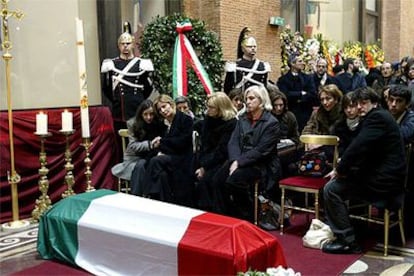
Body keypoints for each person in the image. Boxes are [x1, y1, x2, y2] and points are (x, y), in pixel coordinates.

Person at [322, 87, 406, 254]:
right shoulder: (377, 116)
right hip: (382, 175)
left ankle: (347, 241)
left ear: (374, 103)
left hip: (384, 182)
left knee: (331, 189)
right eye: (358, 103)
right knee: (342, 183)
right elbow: (363, 149)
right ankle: (350, 230)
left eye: (364, 103)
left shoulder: (376, 118)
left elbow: (358, 146)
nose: (359, 107)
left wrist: (339, 169)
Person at [215, 85, 281, 222]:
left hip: (260, 164)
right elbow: (233, 142)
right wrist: (235, 160)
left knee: (234, 181)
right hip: (239, 160)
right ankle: (226, 217)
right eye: (246, 99)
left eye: (251, 98)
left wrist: (239, 162)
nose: (247, 102)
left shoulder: (271, 123)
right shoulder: (243, 119)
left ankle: (247, 217)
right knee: (217, 180)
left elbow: (261, 151)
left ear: (261, 101)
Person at [142, 94, 194, 206]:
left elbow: (182, 142)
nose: (163, 111)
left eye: (164, 106)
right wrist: (161, 148)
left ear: (171, 104)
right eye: (160, 109)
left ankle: (146, 195)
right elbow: (161, 144)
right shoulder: (163, 124)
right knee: (160, 173)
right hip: (169, 156)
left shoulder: (185, 119)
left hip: (182, 157)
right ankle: (157, 200)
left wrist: (162, 142)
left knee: (155, 161)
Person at [101, 23, 154, 132]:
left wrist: (137, 98)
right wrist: (116, 99)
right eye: (123, 44)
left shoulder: (142, 64)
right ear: (118, 46)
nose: (125, 46)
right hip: (119, 110)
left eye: (128, 43)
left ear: (133, 45)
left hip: (137, 109)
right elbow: (106, 88)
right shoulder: (111, 64)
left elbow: (148, 88)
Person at [111, 99, 166, 195]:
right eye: (145, 114)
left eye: (151, 114)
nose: (149, 117)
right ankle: (137, 196)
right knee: (141, 165)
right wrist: (150, 144)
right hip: (135, 158)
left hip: (153, 156)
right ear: (141, 114)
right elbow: (133, 146)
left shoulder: (159, 123)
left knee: (157, 167)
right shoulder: (133, 124)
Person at [195, 92, 238, 212]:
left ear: (221, 108)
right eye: (208, 106)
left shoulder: (231, 123)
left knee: (209, 180)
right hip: (207, 157)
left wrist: (205, 167)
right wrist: (202, 164)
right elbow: (204, 144)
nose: (208, 110)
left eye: (211, 107)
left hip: (223, 159)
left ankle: (213, 212)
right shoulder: (208, 120)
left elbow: (222, 150)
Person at [277, 54, 317, 132]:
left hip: (305, 113)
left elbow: (312, 94)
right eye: (300, 61)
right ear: (292, 63)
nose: (303, 63)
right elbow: (284, 95)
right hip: (290, 113)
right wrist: (301, 93)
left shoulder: (308, 78)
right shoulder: (283, 79)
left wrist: (295, 96)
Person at [223, 27, 270, 94]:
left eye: (254, 46)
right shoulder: (234, 66)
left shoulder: (263, 66)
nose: (253, 48)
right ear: (242, 48)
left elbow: (264, 86)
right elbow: (228, 88)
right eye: (249, 46)